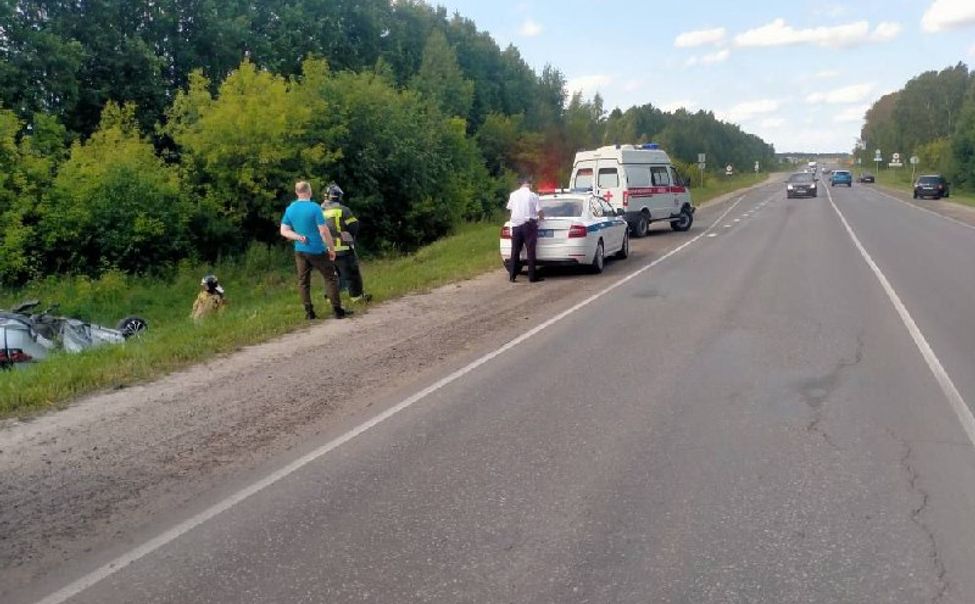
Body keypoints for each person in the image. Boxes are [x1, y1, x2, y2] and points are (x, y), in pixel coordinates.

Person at [280, 181, 351, 320]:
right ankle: (337, 310)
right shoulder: (315, 208)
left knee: (303, 282)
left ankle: (309, 313)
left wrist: (298, 237)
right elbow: (324, 231)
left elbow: (284, 231)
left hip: (300, 250)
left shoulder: (290, 209)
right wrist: (331, 248)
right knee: (330, 277)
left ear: (296, 192)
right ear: (309, 191)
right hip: (317, 249)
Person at [321, 183, 371, 303]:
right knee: (352, 273)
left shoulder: (319, 211)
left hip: (326, 249)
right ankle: (357, 297)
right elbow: (354, 225)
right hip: (343, 248)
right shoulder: (343, 210)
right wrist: (350, 237)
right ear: (338, 197)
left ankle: (330, 297)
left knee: (332, 275)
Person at [506, 176, 544, 283]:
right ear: (529, 184)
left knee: (515, 251)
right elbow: (539, 211)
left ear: (521, 184)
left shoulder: (513, 195)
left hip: (516, 225)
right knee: (530, 251)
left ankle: (512, 276)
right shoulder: (533, 195)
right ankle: (532, 276)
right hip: (529, 225)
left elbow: (510, 210)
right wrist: (542, 217)